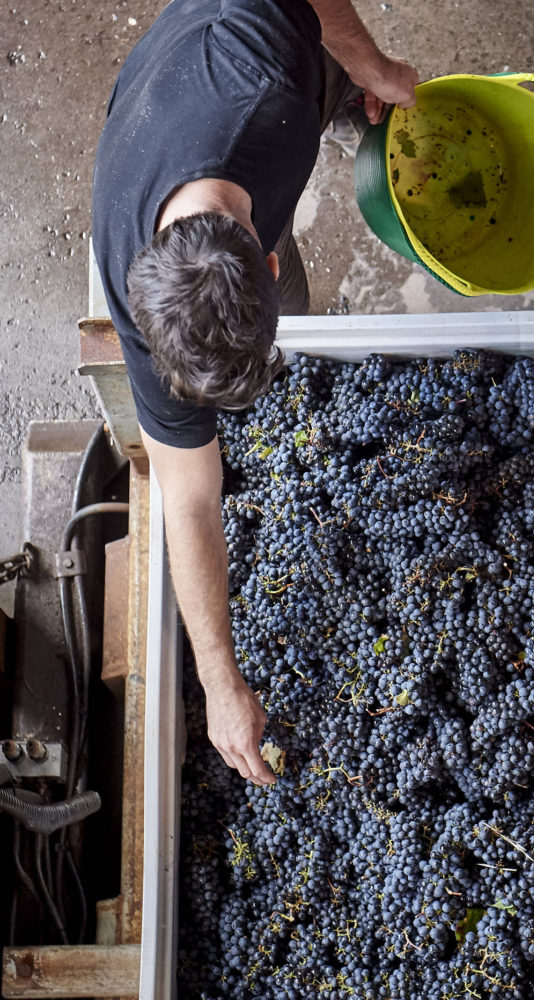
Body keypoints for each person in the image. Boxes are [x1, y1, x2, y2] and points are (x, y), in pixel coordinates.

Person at [91, 0, 418, 784]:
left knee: (326, 65)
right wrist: (218, 678)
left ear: (269, 261)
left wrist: (369, 66)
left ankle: (343, 93)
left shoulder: (261, 77)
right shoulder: (137, 289)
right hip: (163, 111)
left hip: (255, 58)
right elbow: (191, 495)